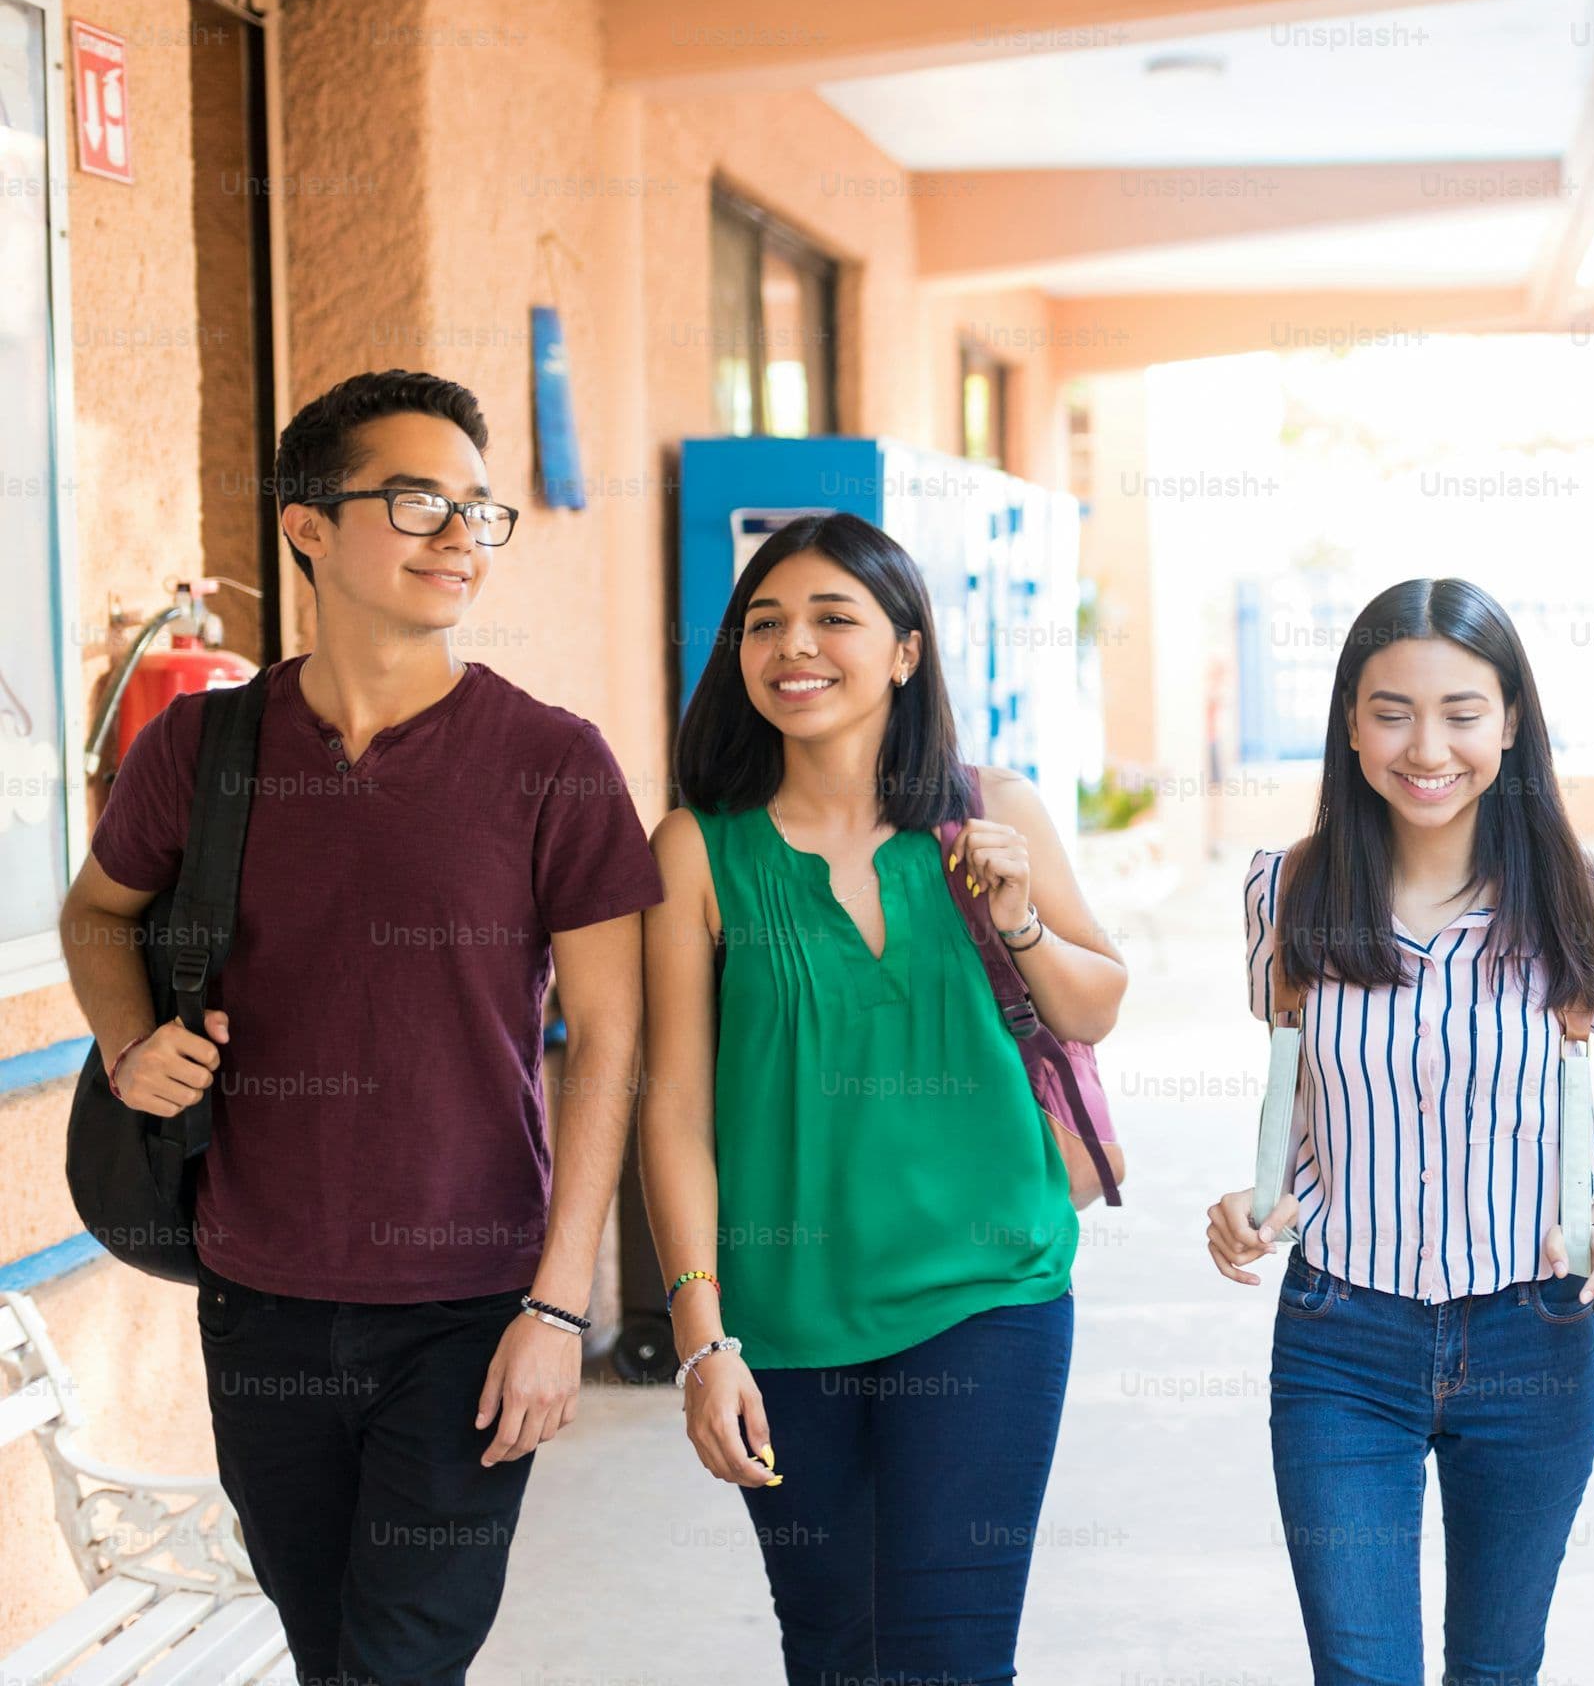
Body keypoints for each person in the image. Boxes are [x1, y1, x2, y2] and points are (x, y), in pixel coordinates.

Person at [57, 369, 657, 1685]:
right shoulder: (204, 750)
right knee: (327, 1651)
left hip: (469, 1312)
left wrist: (560, 1306)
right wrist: (124, 1044)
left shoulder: (551, 761)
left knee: (399, 1660)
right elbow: (98, 913)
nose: (460, 538)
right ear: (309, 526)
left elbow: (612, 1036)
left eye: (479, 511)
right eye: (418, 502)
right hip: (256, 1299)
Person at [640, 510, 1123, 1686]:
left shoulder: (989, 808)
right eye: (764, 622)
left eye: (831, 617)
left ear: (906, 649)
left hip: (987, 1292)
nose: (792, 645)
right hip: (790, 1320)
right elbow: (675, 1108)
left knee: (952, 1658)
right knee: (836, 1654)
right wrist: (702, 1339)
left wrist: (1017, 917)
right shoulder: (698, 850)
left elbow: (1095, 1003)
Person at [1204, 576, 1594, 1686]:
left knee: (1496, 1667)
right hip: (1340, 1339)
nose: (1429, 746)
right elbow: (1300, 1095)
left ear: (1510, 723)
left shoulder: (1583, 901)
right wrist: (1252, 1200)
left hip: (1533, 1337)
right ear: (1352, 728)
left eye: (1462, 711)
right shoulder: (1287, 892)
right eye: (1392, 710)